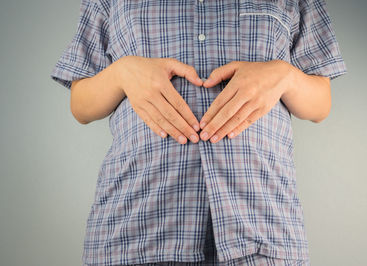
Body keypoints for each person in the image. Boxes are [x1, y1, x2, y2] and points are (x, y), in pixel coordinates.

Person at [50, 0, 347, 265]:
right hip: (138, 226)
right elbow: (81, 105)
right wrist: (121, 73)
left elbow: (320, 104)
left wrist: (285, 75)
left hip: (262, 224)